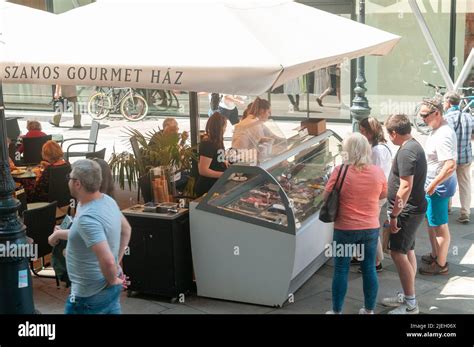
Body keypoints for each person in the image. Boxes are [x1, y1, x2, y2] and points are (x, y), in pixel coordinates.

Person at [47, 159, 124, 314]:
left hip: (89, 293)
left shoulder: (87, 216)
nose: (68, 181)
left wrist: (113, 278)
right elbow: (125, 232)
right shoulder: (107, 202)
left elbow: (106, 258)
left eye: (70, 177)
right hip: (104, 288)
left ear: (78, 183)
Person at [324, 133, 387, 314]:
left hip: (344, 228)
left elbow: (326, 196)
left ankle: (336, 311)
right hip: (370, 228)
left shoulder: (340, 170)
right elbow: (384, 194)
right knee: (369, 268)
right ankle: (369, 310)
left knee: (341, 268)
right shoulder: (377, 172)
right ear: (366, 149)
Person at [382, 114, 427, 314]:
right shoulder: (413, 145)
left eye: (388, 134)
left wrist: (394, 215)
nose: (389, 138)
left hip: (406, 212)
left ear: (394, 133)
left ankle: (410, 304)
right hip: (412, 209)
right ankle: (408, 295)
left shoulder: (407, 151)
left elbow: (405, 187)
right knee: (408, 251)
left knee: (397, 253)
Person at [419, 97, 457, 276]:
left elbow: (450, 165)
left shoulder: (443, 134)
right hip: (435, 186)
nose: (422, 119)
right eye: (421, 115)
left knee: (440, 226)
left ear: (437, 113)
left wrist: (433, 184)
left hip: (438, 188)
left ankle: (441, 264)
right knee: (433, 222)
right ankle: (436, 254)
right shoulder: (438, 128)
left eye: (425, 115)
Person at [358, 116, 392, 273]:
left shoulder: (377, 151)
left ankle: (376, 261)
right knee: (369, 226)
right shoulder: (380, 147)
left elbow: (375, 175)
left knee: (370, 227)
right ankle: (363, 257)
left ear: (370, 132)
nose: (361, 134)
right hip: (378, 193)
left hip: (375, 194)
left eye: (363, 131)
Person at [91, 158, 132, 267]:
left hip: (95, 269)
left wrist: (58, 235)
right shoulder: (110, 202)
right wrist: (117, 262)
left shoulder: (94, 206)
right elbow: (126, 230)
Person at [443, 91, 473, 224]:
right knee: (465, 184)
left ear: (448, 103)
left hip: (450, 157)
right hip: (466, 156)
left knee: (446, 181)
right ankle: (465, 212)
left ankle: (447, 207)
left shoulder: (446, 119)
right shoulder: (468, 116)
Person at [195, 112, 228, 197]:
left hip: (216, 184)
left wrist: (224, 162)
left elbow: (218, 158)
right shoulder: (208, 143)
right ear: (219, 127)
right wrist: (224, 175)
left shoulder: (218, 141)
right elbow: (203, 170)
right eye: (224, 127)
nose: (225, 129)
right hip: (208, 186)